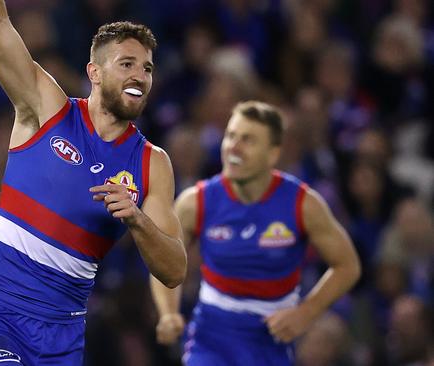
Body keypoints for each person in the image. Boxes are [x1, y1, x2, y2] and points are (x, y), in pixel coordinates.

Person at [0, 1, 187, 365]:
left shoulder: (151, 164)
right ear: (94, 72)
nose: (140, 76)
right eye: (126, 64)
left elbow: (174, 270)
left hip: (62, 332)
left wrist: (137, 220)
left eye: (147, 69)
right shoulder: (48, 111)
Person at [151, 101, 360, 365]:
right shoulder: (197, 202)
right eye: (231, 136)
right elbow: (162, 260)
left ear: (272, 154)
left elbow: (347, 265)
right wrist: (168, 312)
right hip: (211, 340)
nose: (233, 147)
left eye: (247, 140)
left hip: (272, 342)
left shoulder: (303, 204)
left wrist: (306, 313)